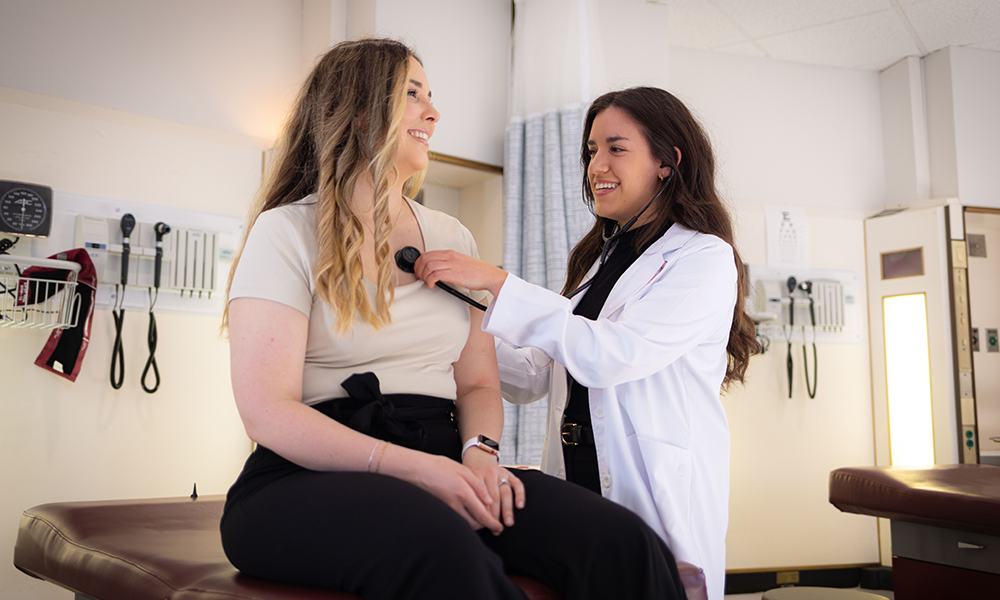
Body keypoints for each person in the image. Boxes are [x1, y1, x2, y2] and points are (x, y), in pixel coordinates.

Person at [219, 39, 688, 600]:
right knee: (439, 542)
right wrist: (414, 469)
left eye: (430, 96)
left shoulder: (450, 238)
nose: (433, 112)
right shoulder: (286, 232)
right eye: (412, 94)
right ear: (362, 108)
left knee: (620, 541)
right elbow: (266, 412)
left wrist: (480, 456)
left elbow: (479, 381)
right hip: (305, 478)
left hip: (447, 458)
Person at [413, 86, 758, 600]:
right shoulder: (599, 261)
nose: (597, 164)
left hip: (656, 493)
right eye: (592, 150)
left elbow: (612, 354)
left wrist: (497, 282)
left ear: (666, 161)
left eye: (616, 148)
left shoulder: (702, 257)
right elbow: (535, 374)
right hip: (580, 480)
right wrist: (454, 322)